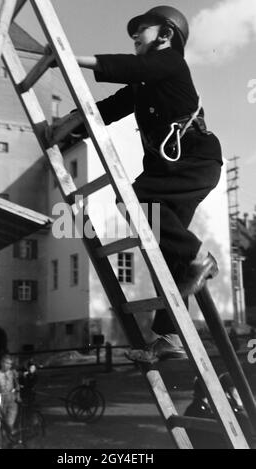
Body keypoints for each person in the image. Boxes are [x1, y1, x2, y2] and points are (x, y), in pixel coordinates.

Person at [47, 6, 222, 362]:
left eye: (142, 29)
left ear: (166, 35)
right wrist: (70, 123)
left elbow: (134, 67)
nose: (134, 35)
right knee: (166, 251)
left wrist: (69, 58)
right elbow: (109, 108)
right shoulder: (144, 85)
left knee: (134, 200)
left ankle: (199, 256)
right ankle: (171, 335)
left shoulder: (170, 63)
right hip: (174, 169)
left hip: (194, 161)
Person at [184, 373, 255, 448]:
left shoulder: (195, 409)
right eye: (237, 390)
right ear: (227, 394)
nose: (240, 394)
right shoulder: (237, 417)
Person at [0, 354, 20, 435]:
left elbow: (17, 385)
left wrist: (18, 395)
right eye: (6, 363)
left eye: (10, 364)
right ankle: (3, 439)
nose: (8, 366)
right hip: (0, 398)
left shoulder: (13, 373)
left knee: (9, 421)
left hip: (11, 398)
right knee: (1, 420)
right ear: (1, 363)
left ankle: (10, 433)